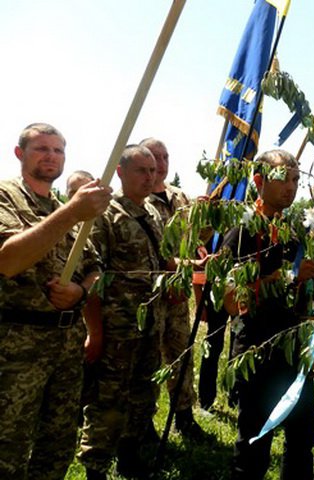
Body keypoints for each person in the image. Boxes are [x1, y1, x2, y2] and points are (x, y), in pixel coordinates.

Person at [0, 123, 111, 480]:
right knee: (8, 445)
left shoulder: (67, 207)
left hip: (64, 347)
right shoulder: (6, 198)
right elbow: (8, 260)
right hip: (16, 348)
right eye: (41, 149)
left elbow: (95, 269)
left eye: (58, 151)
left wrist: (81, 292)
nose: (51, 156)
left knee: (58, 442)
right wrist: (70, 215)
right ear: (20, 154)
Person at [223, 149, 314, 480]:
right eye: (283, 179)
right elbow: (233, 302)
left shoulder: (294, 234)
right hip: (257, 353)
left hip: (294, 353)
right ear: (259, 181)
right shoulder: (243, 233)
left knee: (303, 437)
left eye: (296, 179)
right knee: (254, 444)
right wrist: (290, 278)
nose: (291, 187)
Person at [78, 145, 168, 480]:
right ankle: (95, 467)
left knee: (144, 393)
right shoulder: (105, 216)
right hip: (118, 329)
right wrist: (95, 332)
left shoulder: (155, 213)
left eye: (152, 171)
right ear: (120, 172)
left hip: (150, 325)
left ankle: (129, 456)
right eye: (141, 171)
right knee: (108, 402)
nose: (149, 177)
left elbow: (163, 263)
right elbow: (92, 278)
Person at [142, 137, 204, 437]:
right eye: (155, 157)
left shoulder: (179, 196)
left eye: (165, 157)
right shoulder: (136, 199)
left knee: (181, 353)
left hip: (179, 292)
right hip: (150, 294)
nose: (161, 164)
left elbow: (197, 239)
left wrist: (207, 214)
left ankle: (184, 415)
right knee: (150, 358)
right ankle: (145, 422)